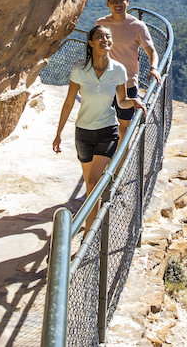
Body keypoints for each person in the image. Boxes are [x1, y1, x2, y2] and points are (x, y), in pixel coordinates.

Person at [52, 25, 144, 226]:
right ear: (91, 42)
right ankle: (92, 226)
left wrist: (134, 101)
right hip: (83, 133)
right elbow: (69, 102)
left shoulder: (118, 70)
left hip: (107, 131)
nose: (105, 39)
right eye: (99, 36)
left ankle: (87, 234)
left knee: (93, 182)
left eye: (108, 36)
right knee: (90, 186)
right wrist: (58, 133)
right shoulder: (79, 70)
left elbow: (121, 101)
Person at [95, 0, 162, 138]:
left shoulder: (137, 26)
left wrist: (154, 68)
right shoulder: (101, 23)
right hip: (103, 82)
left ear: (127, 2)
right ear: (108, 4)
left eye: (121, 0)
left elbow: (151, 51)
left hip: (128, 84)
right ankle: (107, 160)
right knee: (102, 127)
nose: (117, 4)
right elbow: (94, 52)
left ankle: (121, 160)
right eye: (113, 1)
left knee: (124, 128)